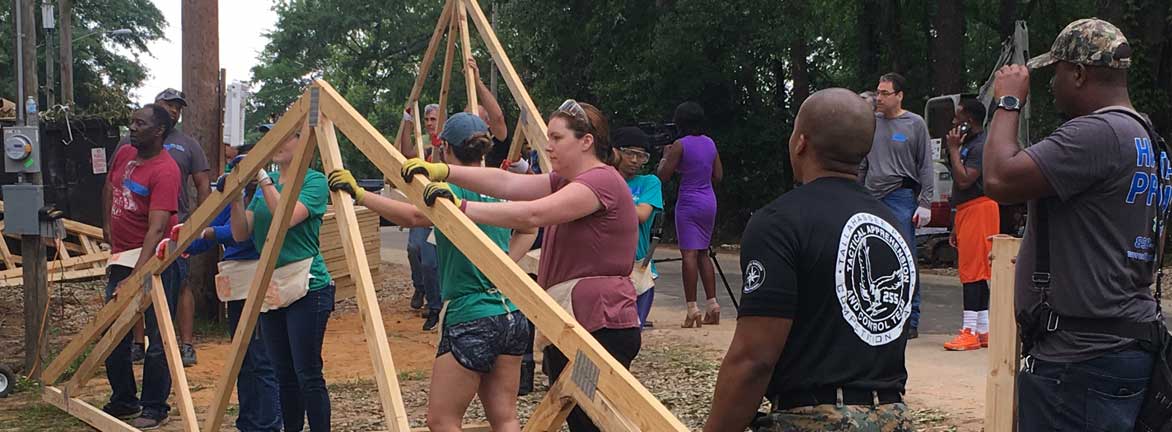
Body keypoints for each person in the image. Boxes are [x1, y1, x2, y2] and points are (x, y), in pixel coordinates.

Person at [400, 99, 639, 432]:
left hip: (600, 323)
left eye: (557, 138)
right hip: (579, 321)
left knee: (594, 423)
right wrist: (444, 171)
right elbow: (508, 185)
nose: (548, 146)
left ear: (586, 141)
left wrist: (460, 206)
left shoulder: (601, 181)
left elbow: (532, 214)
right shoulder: (568, 180)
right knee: (585, 422)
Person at [983, 18, 1162, 430]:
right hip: (1125, 344)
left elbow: (998, 178)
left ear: (1079, 74)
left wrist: (1009, 102)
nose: (1051, 84)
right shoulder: (1148, 138)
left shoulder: (1096, 134)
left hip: (1081, 362)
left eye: (1058, 72)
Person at [704, 88, 914, 432]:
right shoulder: (891, 225)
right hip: (893, 417)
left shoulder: (778, 222)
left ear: (800, 142)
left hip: (811, 419)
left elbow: (754, 359)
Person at [329, 113, 537, 432]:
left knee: (441, 420)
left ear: (445, 151)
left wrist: (359, 193)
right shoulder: (497, 186)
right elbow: (530, 226)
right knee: (505, 417)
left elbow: (414, 216)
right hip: (511, 316)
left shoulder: (453, 189)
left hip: (472, 317)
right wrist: (505, 262)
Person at [229, 125, 334, 431]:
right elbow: (240, 233)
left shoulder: (314, 182)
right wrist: (235, 195)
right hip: (272, 286)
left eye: (285, 135)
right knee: (283, 373)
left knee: (307, 372)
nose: (275, 142)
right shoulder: (269, 183)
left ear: (304, 144)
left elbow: (284, 218)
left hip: (308, 286)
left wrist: (261, 177)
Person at [185, 143, 282, 431]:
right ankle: (249, 421)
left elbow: (246, 235)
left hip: (262, 278)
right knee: (243, 355)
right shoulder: (231, 197)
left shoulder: (268, 195)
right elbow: (207, 228)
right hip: (237, 283)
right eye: (230, 164)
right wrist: (183, 239)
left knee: (263, 357)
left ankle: (268, 423)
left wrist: (212, 233)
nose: (232, 169)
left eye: (237, 164)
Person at [100, 104, 184, 430]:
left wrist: (138, 276)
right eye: (132, 121)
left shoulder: (165, 170)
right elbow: (109, 186)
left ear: (159, 130)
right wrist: (107, 227)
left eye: (140, 124)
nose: (132, 128)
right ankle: (123, 399)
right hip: (123, 256)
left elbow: (157, 228)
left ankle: (154, 406)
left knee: (157, 337)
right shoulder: (125, 154)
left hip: (156, 259)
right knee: (112, 332)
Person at [123, 88, 212, 367]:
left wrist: (199, 222)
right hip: (136, 228)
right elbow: (112, 183)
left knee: (182, 283)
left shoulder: (188, 145)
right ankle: (139, 343)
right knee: (137, 285)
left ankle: (186, 344)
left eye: (178, 107)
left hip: (176, 227)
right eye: (169, 105)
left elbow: (202, 185)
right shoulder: (132, 144)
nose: (174, 110)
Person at [859, 73, 932, 338]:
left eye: (885, 93)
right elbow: (864, 162)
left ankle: (910, 319)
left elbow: (925, 165)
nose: (879, 98)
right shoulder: (871, 123)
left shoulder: (914, 124)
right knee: (870, 256)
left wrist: (925, 202)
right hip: (871, 195)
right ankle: (875, 311)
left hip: (901, 196)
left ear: (899, 95)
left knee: (905, 257)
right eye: (878, 92)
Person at [657, 101, 723, 328]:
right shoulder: (710, 143)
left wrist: (666, 157)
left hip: (689, 201)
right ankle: (712, 304)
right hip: (708, 200)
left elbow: (663, 175)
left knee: (689, 255)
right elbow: (718, 175)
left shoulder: (679, 145)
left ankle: (692, 308)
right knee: (704, 251)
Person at [941, 99, 998, 351]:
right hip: (967, 210)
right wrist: (956, 222)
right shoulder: (971, 144)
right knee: (976, 271)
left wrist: (953, 149)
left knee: (973, 273)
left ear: (970, 120)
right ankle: (983, 329)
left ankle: (969, 330)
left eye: (958, 118)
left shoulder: (980, 146)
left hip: (979, 208)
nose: (954, 123)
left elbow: (965, 180)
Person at [612, 127, 664, 328]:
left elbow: (642, 215)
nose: (635, 160)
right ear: (616, 152)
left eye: (641, 156)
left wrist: (606, 200)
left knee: (631, 332)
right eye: (629, 153)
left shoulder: (649, 183)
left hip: (638, 268)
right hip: (606, 269)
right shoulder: (603, 177)